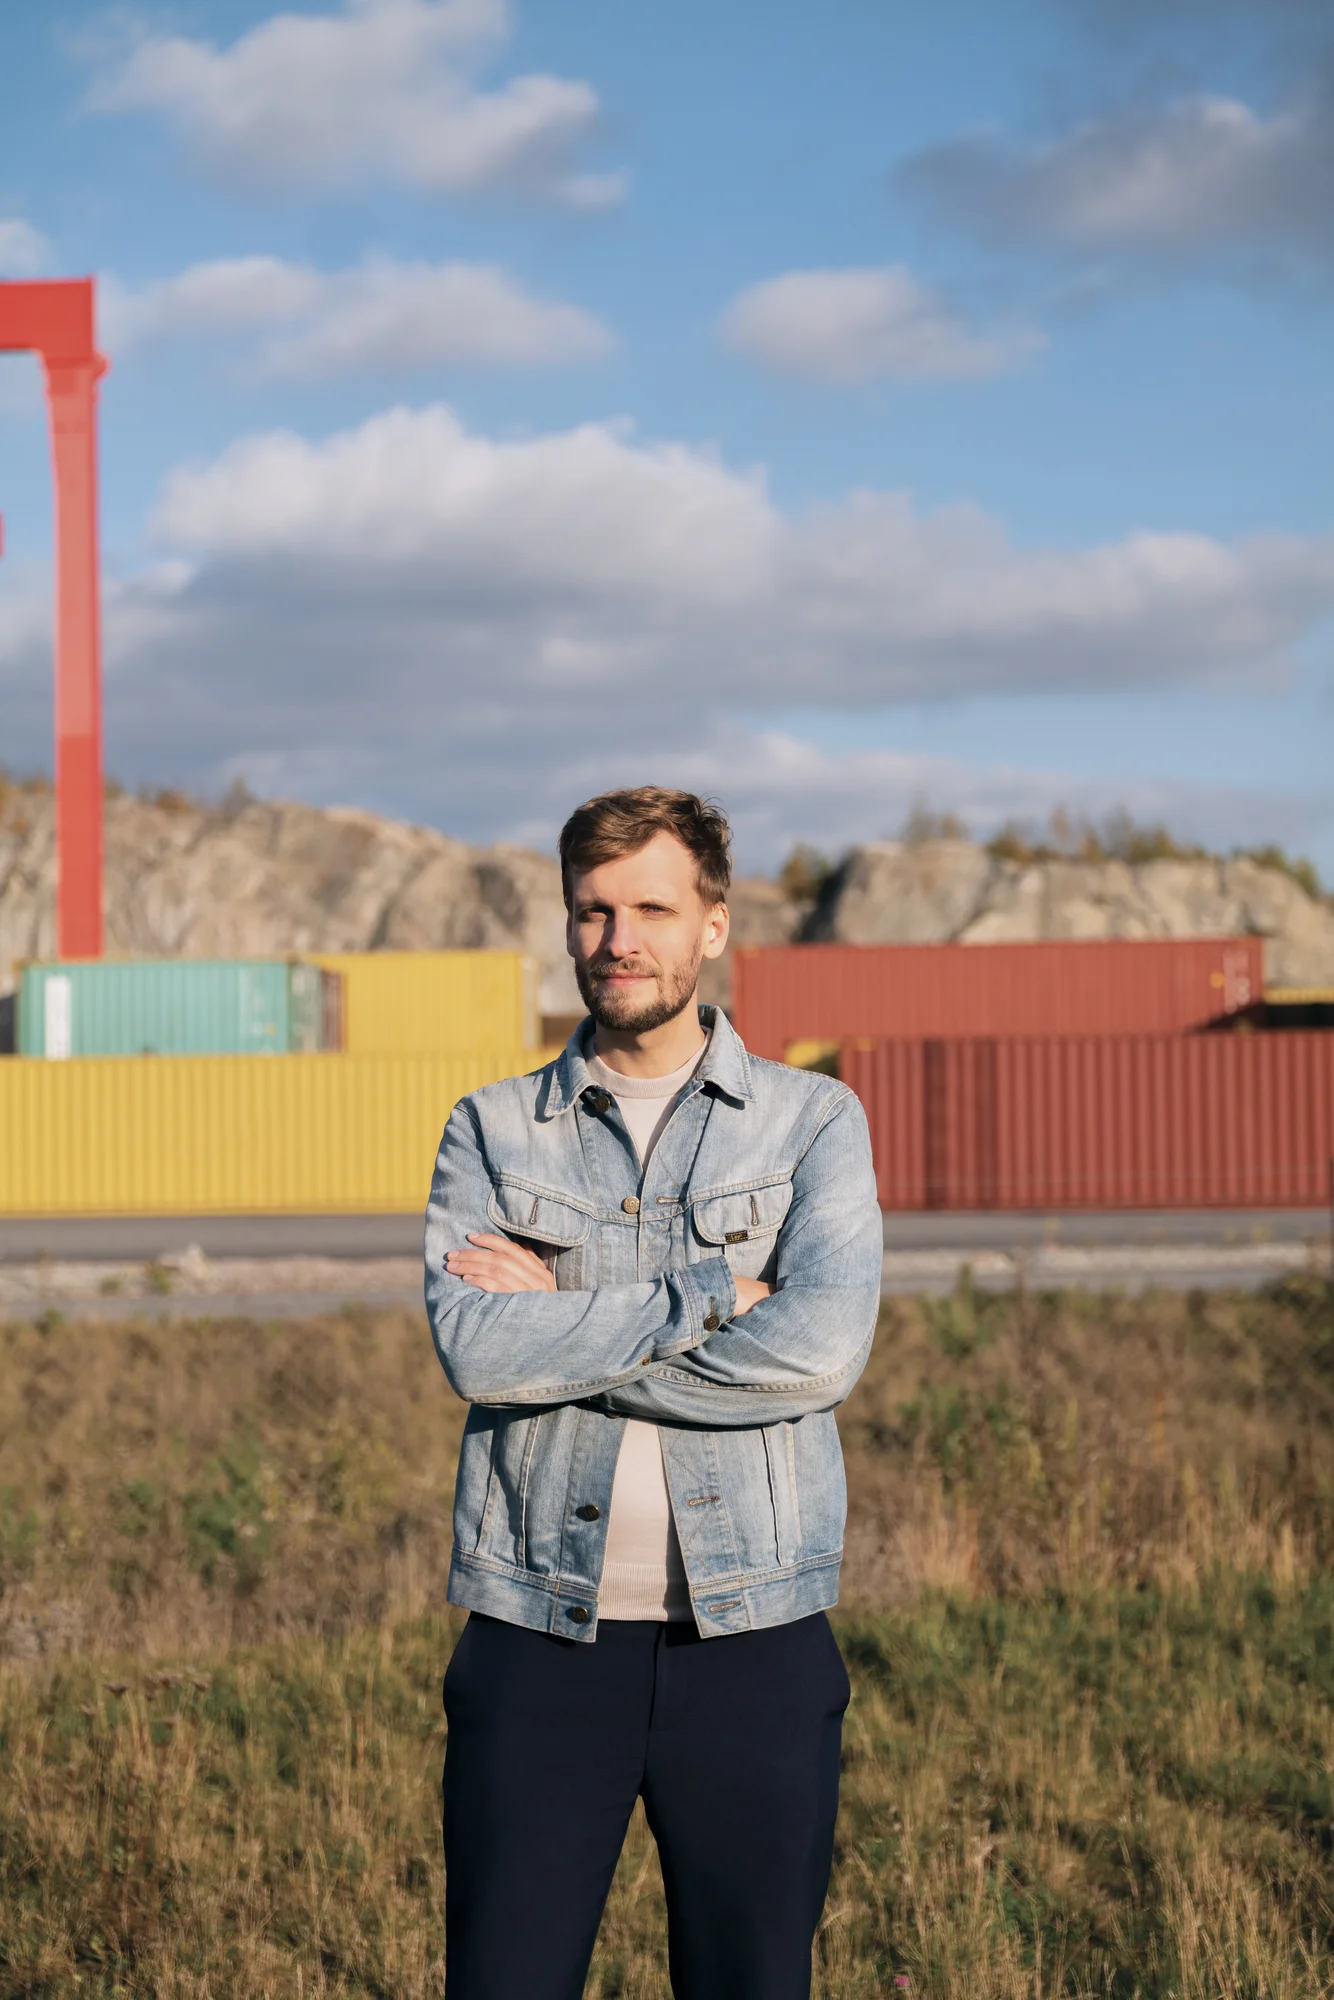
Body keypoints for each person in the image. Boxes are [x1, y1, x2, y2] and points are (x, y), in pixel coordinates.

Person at [424, 786, 883, 2000]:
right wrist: (708, 1294)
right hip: (534, 1638)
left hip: (753, 1645)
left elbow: (820, 1354)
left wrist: (561, 1334)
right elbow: (476, 1351)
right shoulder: (489, 1130)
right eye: (591, 909)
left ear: (713, 925)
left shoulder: (812, 1121)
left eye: (649, 907)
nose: (617, 937)